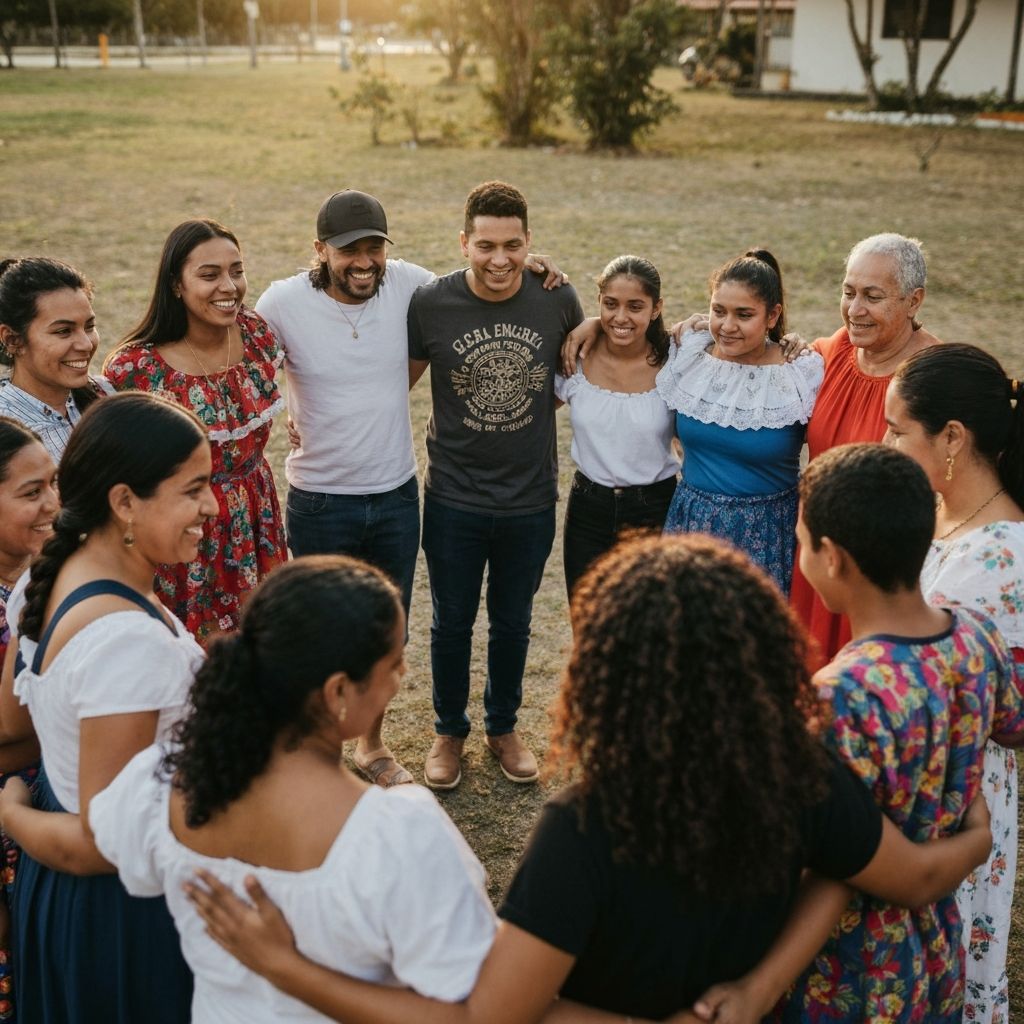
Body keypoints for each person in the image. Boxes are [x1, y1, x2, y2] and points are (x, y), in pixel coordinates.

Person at [183, 533, 992, 1024]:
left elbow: (497, 1013)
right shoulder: (802, 773)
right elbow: (898, 876)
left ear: (604, 672)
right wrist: (978, 839)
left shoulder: (585, 828)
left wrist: (286, 967)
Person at [256, 189, 566, 788]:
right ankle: (316, 750)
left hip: (396, 493)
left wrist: (528, 265)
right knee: (318, 631)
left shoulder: (409, 286)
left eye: (373, 248)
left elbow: (481, 274)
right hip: (318, 496)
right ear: (320, 250)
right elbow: (245, 360)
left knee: (388, 629)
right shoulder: (282, 302)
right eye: (348, 251)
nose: (363, 262)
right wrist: (281, 412)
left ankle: (372, 745)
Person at [785, 443, 1024, 1022]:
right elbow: (1012, 727)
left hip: (846, 972)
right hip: (937, 954)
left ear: (832, 558)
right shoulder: (977, 639)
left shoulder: (837, 697)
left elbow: (812, 858)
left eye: (802, 543)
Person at [0, 391, 218, 1022]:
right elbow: (105, 844)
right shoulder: (127, 643)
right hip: (120, 909)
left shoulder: (44, 578)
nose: (212, 506)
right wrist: (11, 813)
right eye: (193, 489)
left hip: (59, 882)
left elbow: (15, 723)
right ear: (124, 502)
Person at [408, 181, 584, 790]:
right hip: (453, 495)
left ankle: (502, 726)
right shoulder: (431, 303)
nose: (500, 259)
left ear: (529, 242)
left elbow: (569, 378)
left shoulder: (557, 298)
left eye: (513, 245)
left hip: (529, 498)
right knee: (451, 620)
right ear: (464, 243)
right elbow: (395, 383)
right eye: (486, 245)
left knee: (513, 621)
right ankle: (448, 730)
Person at [885, 343, 1024, 1024]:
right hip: (917, 769)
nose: (887, 445)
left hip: (956, 791)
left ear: (952, 438)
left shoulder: (999, 561)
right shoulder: (942, 513)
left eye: (897, 430)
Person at [103, 219, 288, 644]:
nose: (229, 286)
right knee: (191, 654)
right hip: (183, 529)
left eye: (236, 271)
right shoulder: (137, 370)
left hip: (256, 518)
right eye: (209, 275)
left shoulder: (255, 335)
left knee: (261, 647)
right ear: (176, 285)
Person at [789, 233, 942, 662]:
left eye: (873, 297)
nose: (855, 309)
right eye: (848, 292)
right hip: (819, 560)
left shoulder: (933, 373)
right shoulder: (832, 351)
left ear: (914, 301)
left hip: (883, 572)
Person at [655, 248, 822, 594]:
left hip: (769, 533)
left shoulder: (801, 373)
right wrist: (587, 328)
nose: (728, 326)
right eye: (719, 311)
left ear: (772, 315)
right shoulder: (690, 354)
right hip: (693, 524)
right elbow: (624, 336)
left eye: (744, 315)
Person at [555, 255, 677, 596]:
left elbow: (720, 329)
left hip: (655, 509)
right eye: (610, 304)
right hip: (588, 509)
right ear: (599, 302)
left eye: (635, 306)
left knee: (652, 618)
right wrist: (592, 324)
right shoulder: (574, 358)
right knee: (588, 617)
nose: (621, 317)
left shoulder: (676, 361)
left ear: (656, 308)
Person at [0, 418, 57, 1023]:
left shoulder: (51, 576)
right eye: (31, 492)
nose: (53, 505)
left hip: (45, 815)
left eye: (55, 484)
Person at [0, 257, 112, 462]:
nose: (86, 344)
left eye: (89, 327)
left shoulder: (105, 392)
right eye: (63, 331)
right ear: (12, 340)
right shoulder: (6, 428)